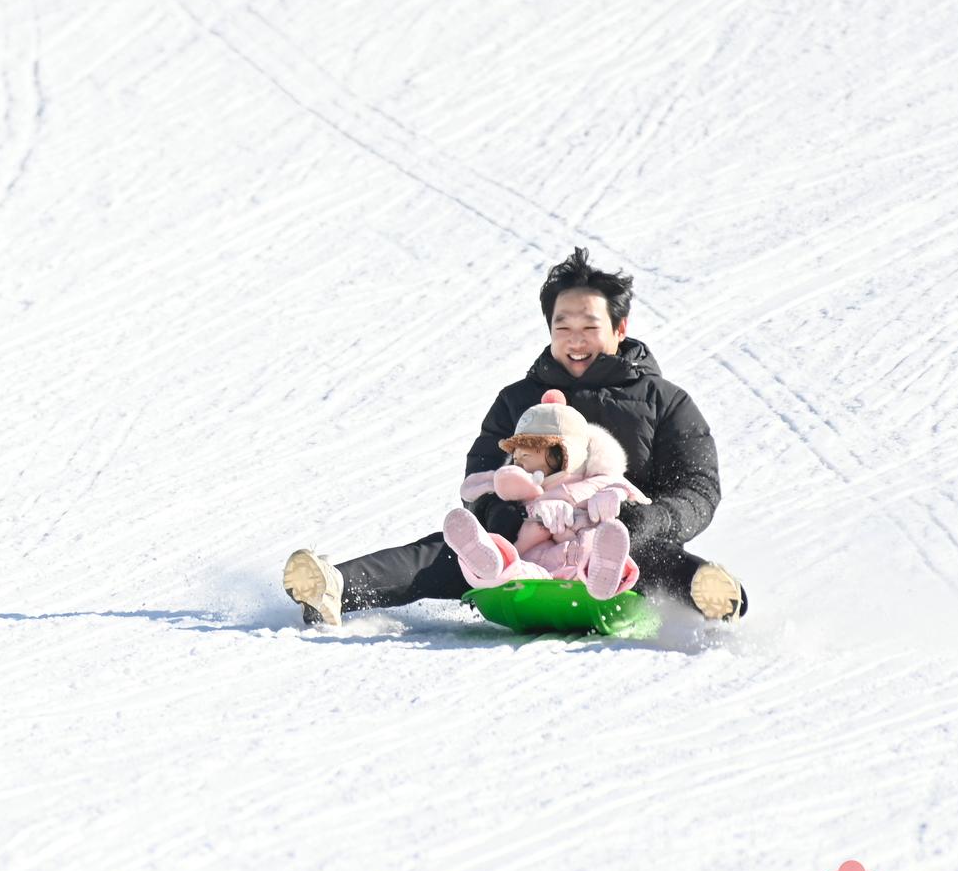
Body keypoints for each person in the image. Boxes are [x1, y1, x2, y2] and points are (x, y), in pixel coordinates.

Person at [282, 247, 746, 626]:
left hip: (614, 540)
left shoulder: (665, 401)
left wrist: (649, 520)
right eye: (562, 326)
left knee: (658, 558)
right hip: (522, 542)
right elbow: (483, 471)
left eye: (589, 326)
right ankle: (333, 586)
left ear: (620, 329)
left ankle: (718, 598)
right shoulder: (519, 399)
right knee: (441, 553)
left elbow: (698, 486)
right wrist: (506, 515)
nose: (575, 338)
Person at [441, 388, 648, 598]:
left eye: (528, 450)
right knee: (521, 570)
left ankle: (607, 575)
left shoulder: (595, 480)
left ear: (561, 453)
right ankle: (493, 563)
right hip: (538, 566)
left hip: (583, 560)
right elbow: (481, 486)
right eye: (516, 453)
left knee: (601, 548)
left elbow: (625, 490)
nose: (518, 458)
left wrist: (615, 495)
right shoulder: (523, 489)